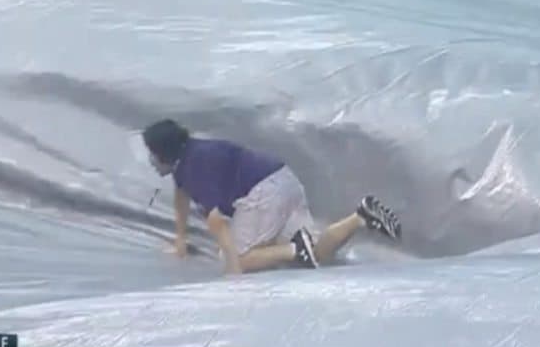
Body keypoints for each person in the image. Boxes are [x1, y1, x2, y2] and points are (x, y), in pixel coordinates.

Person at [140, 118, 402, 275]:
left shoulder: (195, 167)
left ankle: (295, 249)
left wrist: (233, 268)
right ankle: (360, 218)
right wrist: (181, 240)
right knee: (317, 252)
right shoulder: (188, 158)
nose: (150, 161)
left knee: (235, 257)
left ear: (165, 153)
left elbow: (217, 221)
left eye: (152, 154)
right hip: (284, 181)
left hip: (263, 195)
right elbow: (181, 198)